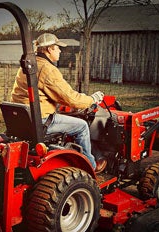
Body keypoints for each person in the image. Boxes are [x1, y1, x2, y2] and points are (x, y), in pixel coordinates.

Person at [11, 33, 105, 172]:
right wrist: (92, 99)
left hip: (23, 118)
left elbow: (43, 92)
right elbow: (71, 99)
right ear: (49, 49)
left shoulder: (27, 66)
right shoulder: (47, 69)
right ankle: (91, 165)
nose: (60, 51)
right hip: (41, 120)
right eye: (57, 48)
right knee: (83, 126)